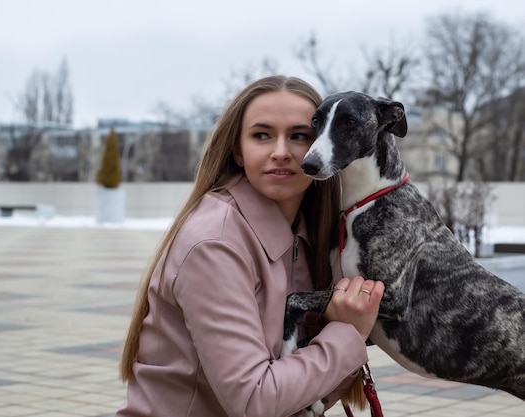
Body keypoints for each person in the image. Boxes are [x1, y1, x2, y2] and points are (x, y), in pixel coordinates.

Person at [116, 75, 384, 417]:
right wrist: (348, 333)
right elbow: (255, 401)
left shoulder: (311, 235)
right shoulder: (215, 243)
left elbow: (307, 393)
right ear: (238, 153)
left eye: (300, 136)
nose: (281, 152)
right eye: (262, 135)